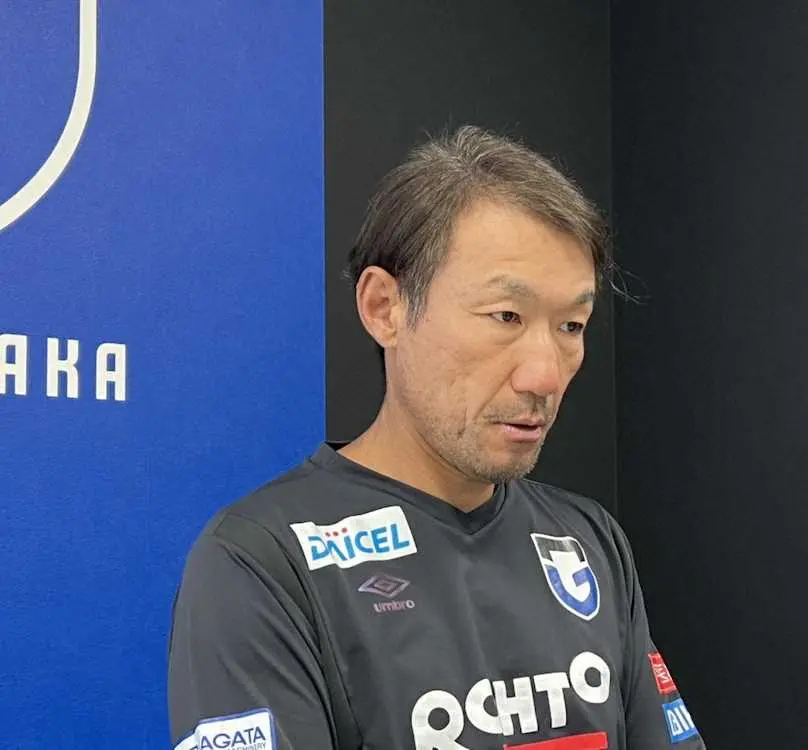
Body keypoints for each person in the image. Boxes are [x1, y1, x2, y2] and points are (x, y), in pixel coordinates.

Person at [168, 125, 706, 749]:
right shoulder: (262, 562)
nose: (545, 375)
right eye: (506, 316)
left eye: (571, 325)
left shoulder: (589, 541)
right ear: (384, 308)